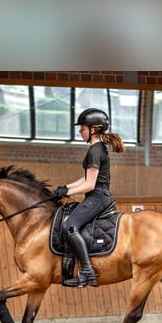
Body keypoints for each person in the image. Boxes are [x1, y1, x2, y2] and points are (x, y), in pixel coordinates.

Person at [54, 108, 125, 288]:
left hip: (97, 196)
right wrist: (66, 187)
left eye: (82, 128)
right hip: (96, 195)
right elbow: (86, 178)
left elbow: (90, 185)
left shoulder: (95, 150)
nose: (80, 131)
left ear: (93, 129)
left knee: (69, 226)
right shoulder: (97, 148)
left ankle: (87, 271)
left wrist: (69, 193)